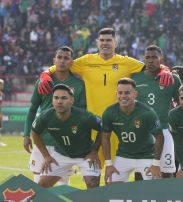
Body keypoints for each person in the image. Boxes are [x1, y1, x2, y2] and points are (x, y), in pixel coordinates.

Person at [36, 28, 173, 164]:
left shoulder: (127, 62)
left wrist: (165, 69)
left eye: (108, 40)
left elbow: (151, 66)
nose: (105, 43)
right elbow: (63, 65)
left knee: (116, 167)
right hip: (93, 124)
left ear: (116, 43)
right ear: (97, 43)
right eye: (102, 40)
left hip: (118, 123)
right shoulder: (86, 61)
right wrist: (46, 73)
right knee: (92, 169)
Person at [23, 46, 86, 184]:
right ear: (54, 60)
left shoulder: (79, 85)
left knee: (63, 181)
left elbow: (82, 114)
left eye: (66, 58)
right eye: (59, 57)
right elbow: (33, 108)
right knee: (38, 179)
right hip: (42, 138)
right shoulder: (43, 82)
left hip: (66, 140)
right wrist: (26, 134)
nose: (62, 60)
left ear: (71, 62)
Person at [31, 84, 102, 189]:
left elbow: (104, 128)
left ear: (72, 100)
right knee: (41, 186)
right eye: (56, 98)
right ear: (52, 100)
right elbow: (34, 132)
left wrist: (95, 151)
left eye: (64, 98)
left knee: (92, 184)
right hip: (61, 154)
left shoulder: (84, 116)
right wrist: (46, 156)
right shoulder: (45, 116)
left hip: (85, 155)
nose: (59, 101)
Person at [131, 45, 181, 178]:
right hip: (142, 131)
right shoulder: (135, 79)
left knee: (167, 172)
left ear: (161, 59)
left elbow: (181, 103)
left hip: (165, 130)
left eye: (154, 57)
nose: (150, 60)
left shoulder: (172, 79)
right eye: (147, 57)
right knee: (141, 174)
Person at [102, 78, 164, 183]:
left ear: (135, 94)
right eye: (120, 93)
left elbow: (159, 136)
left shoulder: (147, 112)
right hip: (123, 155)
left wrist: (156, 164)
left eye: (127, 93)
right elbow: (105, 137)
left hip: (146, 155)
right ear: (116, 94)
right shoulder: (109, 112)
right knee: (111, 184)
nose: (123, 96)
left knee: (154, 189)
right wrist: (108, 164)